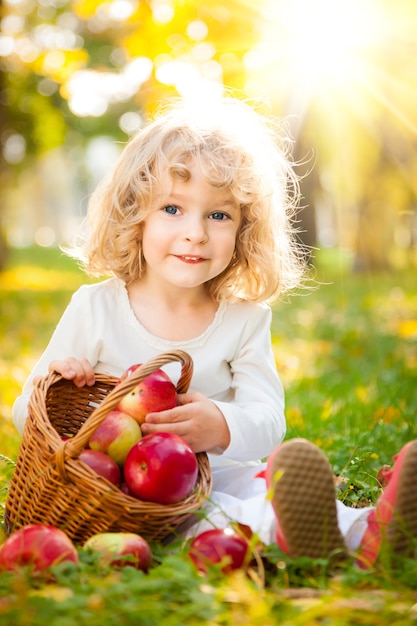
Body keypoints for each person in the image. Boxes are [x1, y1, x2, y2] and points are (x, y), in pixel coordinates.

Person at [12, 96, 416, 568]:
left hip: (223, 470)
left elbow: (268, 420)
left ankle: (370, 529)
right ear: (134, 215)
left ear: (245, 230)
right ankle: (297, 536)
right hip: (133, 494)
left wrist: (223, 426)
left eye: (219, 215)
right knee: (216, 518)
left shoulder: (244, 320)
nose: (196, 233)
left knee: (267, 486)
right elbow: (26, 414)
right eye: (172, 209)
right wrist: (57, 381)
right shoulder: (95, 308)